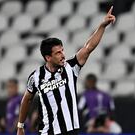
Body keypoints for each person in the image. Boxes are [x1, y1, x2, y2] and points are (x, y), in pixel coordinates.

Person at [17, 6, 116, 135]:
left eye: (62, 50)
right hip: (47, 132)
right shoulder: (36, 76)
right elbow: (27, 99)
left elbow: (88, 47)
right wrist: (20, 126)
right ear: (48, 57)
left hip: (70, 131)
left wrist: (102, 26)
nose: (63, 55)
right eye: (58, 53)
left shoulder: (71, 67)